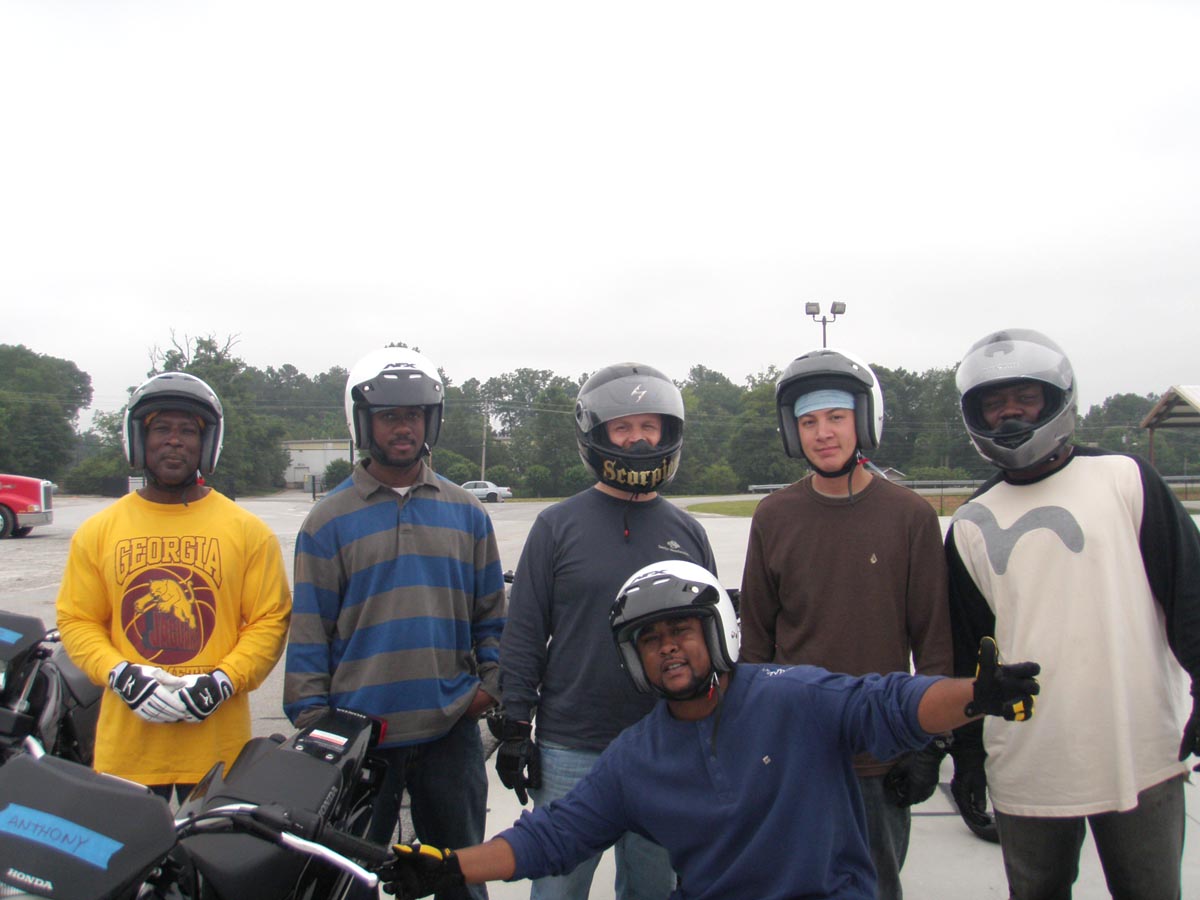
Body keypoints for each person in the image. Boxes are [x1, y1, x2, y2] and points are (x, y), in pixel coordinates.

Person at [379, 560, 1040, 900]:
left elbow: (890, 704)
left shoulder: (794, 698)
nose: (667, 646)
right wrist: (451, 867)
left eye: (681, 630)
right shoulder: (637, 758)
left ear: (718, 631)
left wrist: (974, 697)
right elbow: (556, 835)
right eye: (650, 639)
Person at [946, 328, 1200, 899]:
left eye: (1026, 397)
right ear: (975, 415)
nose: (1010, 412)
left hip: (1138, 750)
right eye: (994, 403)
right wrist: (967, 753)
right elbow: (968, 653)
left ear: (1057, 400)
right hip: (1028, 760)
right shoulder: (969, 523)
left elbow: (1190, 591)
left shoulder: (1125, 478)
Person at [283, 347, 505, 900]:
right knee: (346, 885)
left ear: (431, 421)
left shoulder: (467, 512)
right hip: (357, 743)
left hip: (449, 737)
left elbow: (492, 618)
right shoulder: (327, 522)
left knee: (461, 882)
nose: (403, 427)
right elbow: (309, 632)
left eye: (413, 415)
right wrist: (312, 721)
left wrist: (489, 688)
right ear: (363, 423)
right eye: (388, 416)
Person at [495, 362, 716, 900]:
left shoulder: (687, 532)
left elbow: (714, 642)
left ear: (667, 434)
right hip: (571, 745)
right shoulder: (556, 526)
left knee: (653, 889)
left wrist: (720, 732)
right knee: (557, 888)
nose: (637, 439)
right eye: (622, 428)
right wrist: (514, 726)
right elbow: (525, 632)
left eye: (648, 427)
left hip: (664, 742)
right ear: (597, 435)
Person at [737, 348, 953, 898]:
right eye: (809, 421)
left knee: (877, 886)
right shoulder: (773, 516)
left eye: (836, 417)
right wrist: (748, 737)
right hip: (795, 751)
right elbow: (756, 641)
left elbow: (933, 642)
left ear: (863, 421)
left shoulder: (910, 516)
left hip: (881, 748)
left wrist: (929, 742)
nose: (823, 433)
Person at [56, 372, 291, 802]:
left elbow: (269, 621)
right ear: (139, 440)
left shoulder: (248, 532)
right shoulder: (98, 532)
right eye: (161, 428)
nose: (174, 441)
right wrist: (120, 674)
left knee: (212, 849)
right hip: (126, 753)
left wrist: (222, 681)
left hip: (218, 754)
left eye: (188, 431)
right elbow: (77, 620)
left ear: (207, 444)